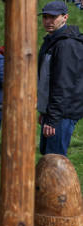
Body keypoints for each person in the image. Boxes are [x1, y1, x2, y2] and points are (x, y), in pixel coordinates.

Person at [37, 0, 83, 156]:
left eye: (53, 17)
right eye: (45, 17)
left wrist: (52, 119)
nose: (48, 21)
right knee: (47, 156)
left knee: (54, 160)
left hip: (62, 114)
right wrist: (44, 111)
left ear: (65, 17)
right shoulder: (51, 41)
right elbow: (46, 79)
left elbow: (64, 84)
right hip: (53, 112)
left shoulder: (67, 45)